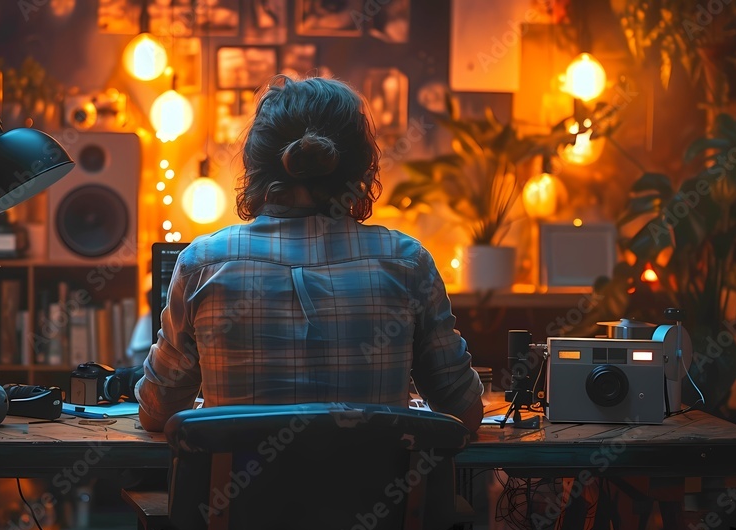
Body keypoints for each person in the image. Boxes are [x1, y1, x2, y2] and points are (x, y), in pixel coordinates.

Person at [137, 75, 484, 432]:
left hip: (242, 489)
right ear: (361, 166)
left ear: (255, 163)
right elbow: (466, 413)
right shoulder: (408, 264)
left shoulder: (203, 265)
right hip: (373, 490)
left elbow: (155, 413)